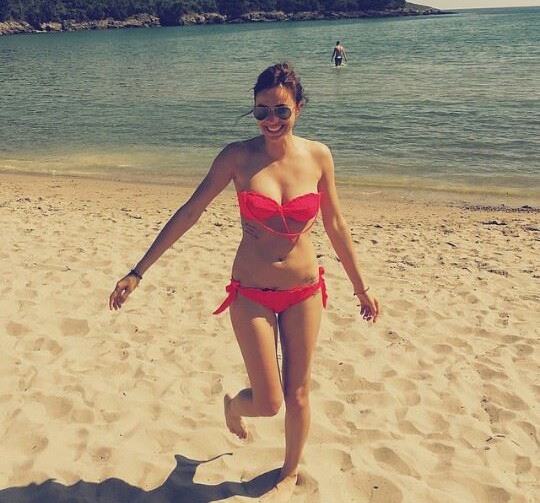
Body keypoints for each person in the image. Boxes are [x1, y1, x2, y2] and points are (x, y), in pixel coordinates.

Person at [109, 62, 379, 500]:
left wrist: (361, 287)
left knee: (298, 393)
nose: (271, 120)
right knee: (269, 402)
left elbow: (335, 224)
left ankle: (289, 473)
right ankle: (234, 406)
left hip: (304, 291)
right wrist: (138, 270)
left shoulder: (318, 156)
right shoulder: (237, 157)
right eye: (261, 111)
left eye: (281, 111)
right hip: (251, 293)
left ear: (298, 108)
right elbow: (191, 211)